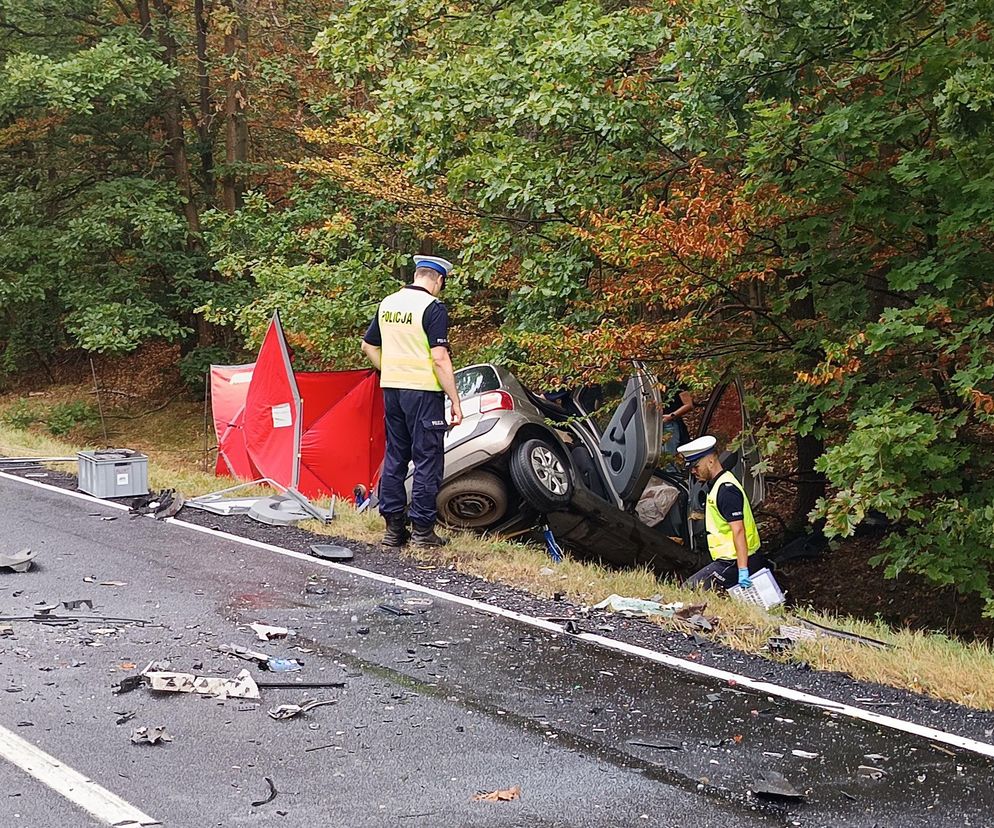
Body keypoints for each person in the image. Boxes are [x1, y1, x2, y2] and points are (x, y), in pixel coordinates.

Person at [361, 254, 463, 548]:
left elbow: (368, 345)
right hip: (423, 393)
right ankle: (422, 531)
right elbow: (439, 358)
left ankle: (393, 530)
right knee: (427, 460)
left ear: (417, 275)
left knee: (395, 457)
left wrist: (390, 369)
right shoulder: (433, 308)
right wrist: (455, 400)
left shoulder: (388, 303)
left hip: (392, 390)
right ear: (438, 280)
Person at [677, 435, 764, 590]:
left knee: (690, 590)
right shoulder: (718, 484)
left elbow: (738, 530)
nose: (693, 472)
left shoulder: (726, 490)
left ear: (710, 461)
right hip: (730, 559)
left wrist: (743, 569)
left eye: (696, 467)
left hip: (735, 561)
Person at [660, 382, 693, 460]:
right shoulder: (654, 378)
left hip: (669, 424)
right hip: (654, 423)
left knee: (668, 455)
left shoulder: (678, 382)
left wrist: (671, 416)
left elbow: (689, 405)